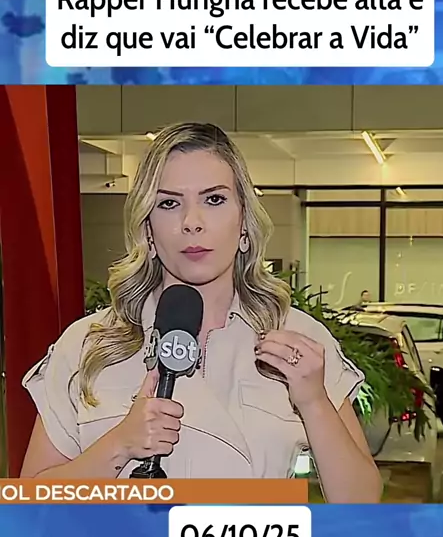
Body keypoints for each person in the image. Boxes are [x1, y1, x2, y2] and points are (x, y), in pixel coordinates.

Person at [21, 123, 382, 503]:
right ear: (148, 231)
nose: (192, 222)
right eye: (169, 203)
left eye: (214, 199)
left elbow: (361, 502)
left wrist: (314, 402)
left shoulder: (296, 339)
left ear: (244, 224)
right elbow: (29, 504)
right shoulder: (90, 344)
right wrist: (118, 446)